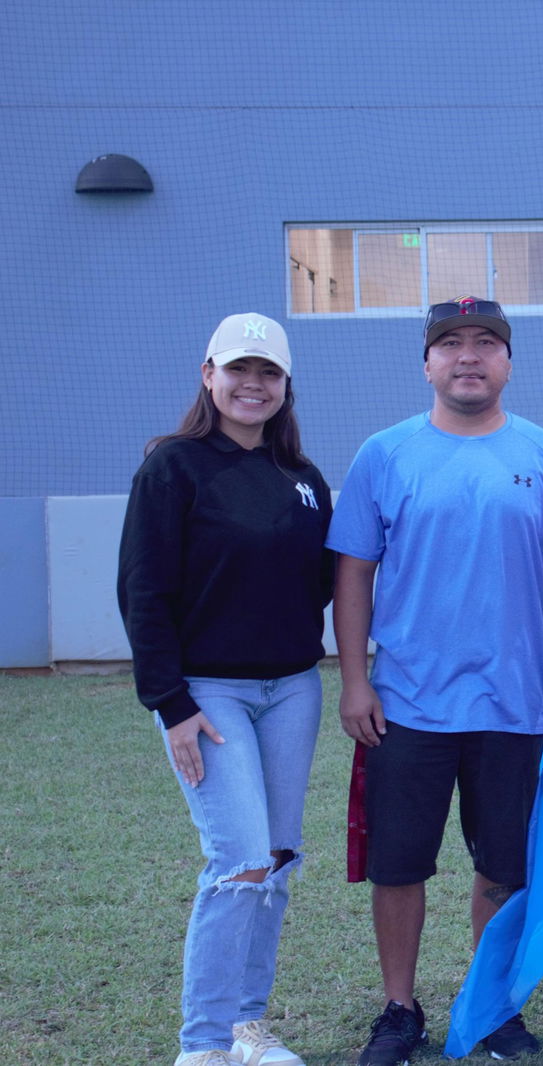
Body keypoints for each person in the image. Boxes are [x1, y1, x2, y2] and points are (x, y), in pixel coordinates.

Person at [328, 297, 543, 1066]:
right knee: (399, 863)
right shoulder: (383, 456)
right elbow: (352, 574)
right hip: (407, 705)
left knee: (502, 866)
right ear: (427, 363)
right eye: (450, 344)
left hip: (512, 706)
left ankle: (489, 1006)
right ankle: (399, 1007)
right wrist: (355, 681)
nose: (468, 356)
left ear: (508, 361)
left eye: (486, 342)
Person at [118, 313, 332, 1066]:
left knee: (275, 858)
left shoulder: (303, 481)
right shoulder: (172, 467)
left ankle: (247, 1026)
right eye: (238, 369)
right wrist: (171, 705)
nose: (253, 384)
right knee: (238, 860)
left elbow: (326, 586)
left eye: (267, 372)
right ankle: (202, 1046)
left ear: (285, 385)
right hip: (210, 696)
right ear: (209, 375)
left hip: (293, 692)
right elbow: (142, 593)